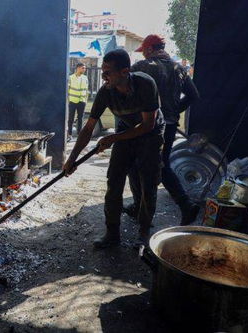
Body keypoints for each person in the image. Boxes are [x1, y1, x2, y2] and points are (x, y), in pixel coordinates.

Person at [63, 49, 165, 248]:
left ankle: (144, 233)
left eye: (108, 72)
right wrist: (72, 159)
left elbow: (147, 125)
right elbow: (88, 127)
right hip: (125, 131)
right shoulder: (105, 92)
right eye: (103, 71)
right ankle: (112, 234)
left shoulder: (145, 84)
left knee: (148, 182)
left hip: (150, 134)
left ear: (125, 72)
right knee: (114, 180)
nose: (103, 76)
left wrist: (112, 138)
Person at [126, 34, 200, 225]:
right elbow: (193, 95)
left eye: (144, 51)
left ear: (150, 49)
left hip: (147, 125)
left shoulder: (142, 68)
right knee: (161, 165)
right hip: (169, 125)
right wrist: (175, 111)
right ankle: (142, 206)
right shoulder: (179, 68)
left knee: (138, 165)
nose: (144, 55)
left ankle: (181, 205)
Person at [68, 63, 89, 141]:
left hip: (82, 101)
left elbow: (86, 90)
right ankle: (69, 135)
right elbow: (68, 89)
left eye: (85, 68)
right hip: (72, 101)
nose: (84, 69)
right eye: (83, 68)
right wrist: (68, 100)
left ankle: (79, 135)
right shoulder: (71, 78)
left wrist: (85, 100)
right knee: (71, 119)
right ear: (78, 68)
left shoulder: (85, 78)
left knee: (80, 119)